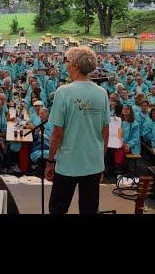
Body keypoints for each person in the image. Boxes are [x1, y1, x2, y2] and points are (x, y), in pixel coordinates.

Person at [45, 46, 109, 215]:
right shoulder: (102, 93)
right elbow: (105, 132)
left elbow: (57, 134)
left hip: (69, 162)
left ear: (74, 64)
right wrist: (101, 161)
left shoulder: (63, 92)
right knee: (89, 209)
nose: (65, 65)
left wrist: (50, 161)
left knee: (58, 208)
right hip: (93, 162)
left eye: (66, 61)